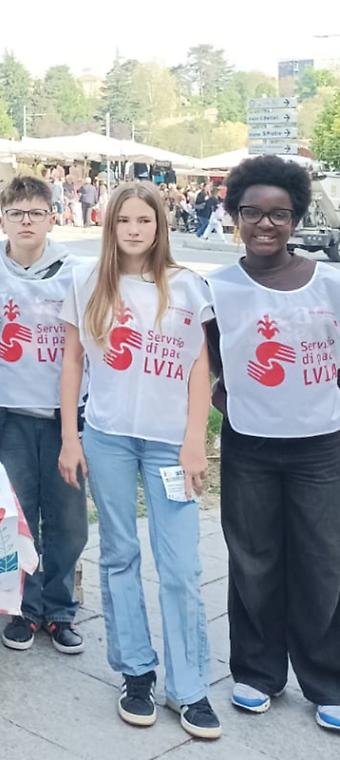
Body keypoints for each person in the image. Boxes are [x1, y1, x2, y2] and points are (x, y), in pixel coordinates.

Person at [58, 182, 221, 740]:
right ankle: (136, 671)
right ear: (111, 226)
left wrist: (195, 440)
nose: (133, 229)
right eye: (124, 220)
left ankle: (190, 685)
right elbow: (73, 364)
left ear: (159, 226)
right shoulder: (87, 283)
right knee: (120, 554)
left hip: (168, 446)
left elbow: (200, 369)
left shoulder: (187, 286)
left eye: (144, 221)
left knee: (179, 566)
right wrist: (70, 438)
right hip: (106, 438)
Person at [205, 155, 340, 732]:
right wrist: (227, 400)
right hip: (250, 447)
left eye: (279, 214)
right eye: (252, 213)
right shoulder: (218, 286)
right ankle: (257, 672)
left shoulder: (331, 282)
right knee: (253, 559)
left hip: (321, 448)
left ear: (296, 218)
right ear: (235, 215)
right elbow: (206, 360)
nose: (265, 224)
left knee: (323, 561)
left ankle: (327, 679)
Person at [0, 176, 88, 656]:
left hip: (64, 414)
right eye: (17, 213)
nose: (26, 221)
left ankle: (59, 608)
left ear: (51, 216)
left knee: (67, 519)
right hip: (8, 410)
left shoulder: (75, 271)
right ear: (2, 217)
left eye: (36, 213)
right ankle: (22, 607)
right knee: (17, 514)